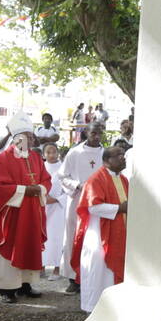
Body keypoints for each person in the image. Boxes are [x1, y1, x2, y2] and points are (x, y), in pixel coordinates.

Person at [0, 114, 51, 303]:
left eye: (32, 136)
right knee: (10, 246)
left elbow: (45, 179)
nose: (32, 139)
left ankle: (26, 285)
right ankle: (6, 289)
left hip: (32, 210)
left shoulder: (36, 156)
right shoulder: (2, 158)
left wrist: (40, 189)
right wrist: (25, 190)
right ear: (17, 137)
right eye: (27, 135)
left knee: (29, 245)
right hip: (12, 212)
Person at [72, 145, 128, 313]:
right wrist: (119, 208)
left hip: (119, 233)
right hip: (99, 235)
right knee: (99, 271)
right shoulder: (96, 179)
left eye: (123, 154)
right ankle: (93, 309)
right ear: (106, 161)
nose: (123, 157)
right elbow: (92, 207)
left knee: (111, 274)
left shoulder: (123, 179)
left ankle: (113, 308)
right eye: (119, 155)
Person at [58, 122, 105, 293]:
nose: (97, 136)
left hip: (98, 203)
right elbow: (62, 175)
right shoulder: (75, 152)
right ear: (86, 132)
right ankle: (73, 278)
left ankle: (93, 276)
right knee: (73, 236)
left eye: (100, 133)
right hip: (77, 200)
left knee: (95, 238)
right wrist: (78, 185)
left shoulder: (106, 154)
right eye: (93, 133)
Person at [42, 142, 66, 273]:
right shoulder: (40, 167)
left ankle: (57, 267)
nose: (51, 155)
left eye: (54, 152)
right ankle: (41, 265)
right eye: (48, 152)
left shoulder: (63, 168)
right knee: (43, 235)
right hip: (43, 205)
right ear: (43, 154)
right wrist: (43, 198)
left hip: (58, 207)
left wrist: (57, 199)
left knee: (57, 236)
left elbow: (68, 189)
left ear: (58, 153)